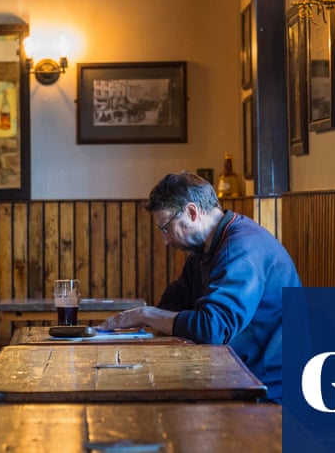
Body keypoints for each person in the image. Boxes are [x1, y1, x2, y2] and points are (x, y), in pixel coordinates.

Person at [96, 171, 302, 401]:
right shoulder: (205, 249)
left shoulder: (241, 249)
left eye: (165, 227)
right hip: (233, 373)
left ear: (192, 212)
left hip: (268, 389)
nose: (165, 240)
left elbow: (212, 329)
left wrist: (146, 314)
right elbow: (173, 302)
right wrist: (161, 316)